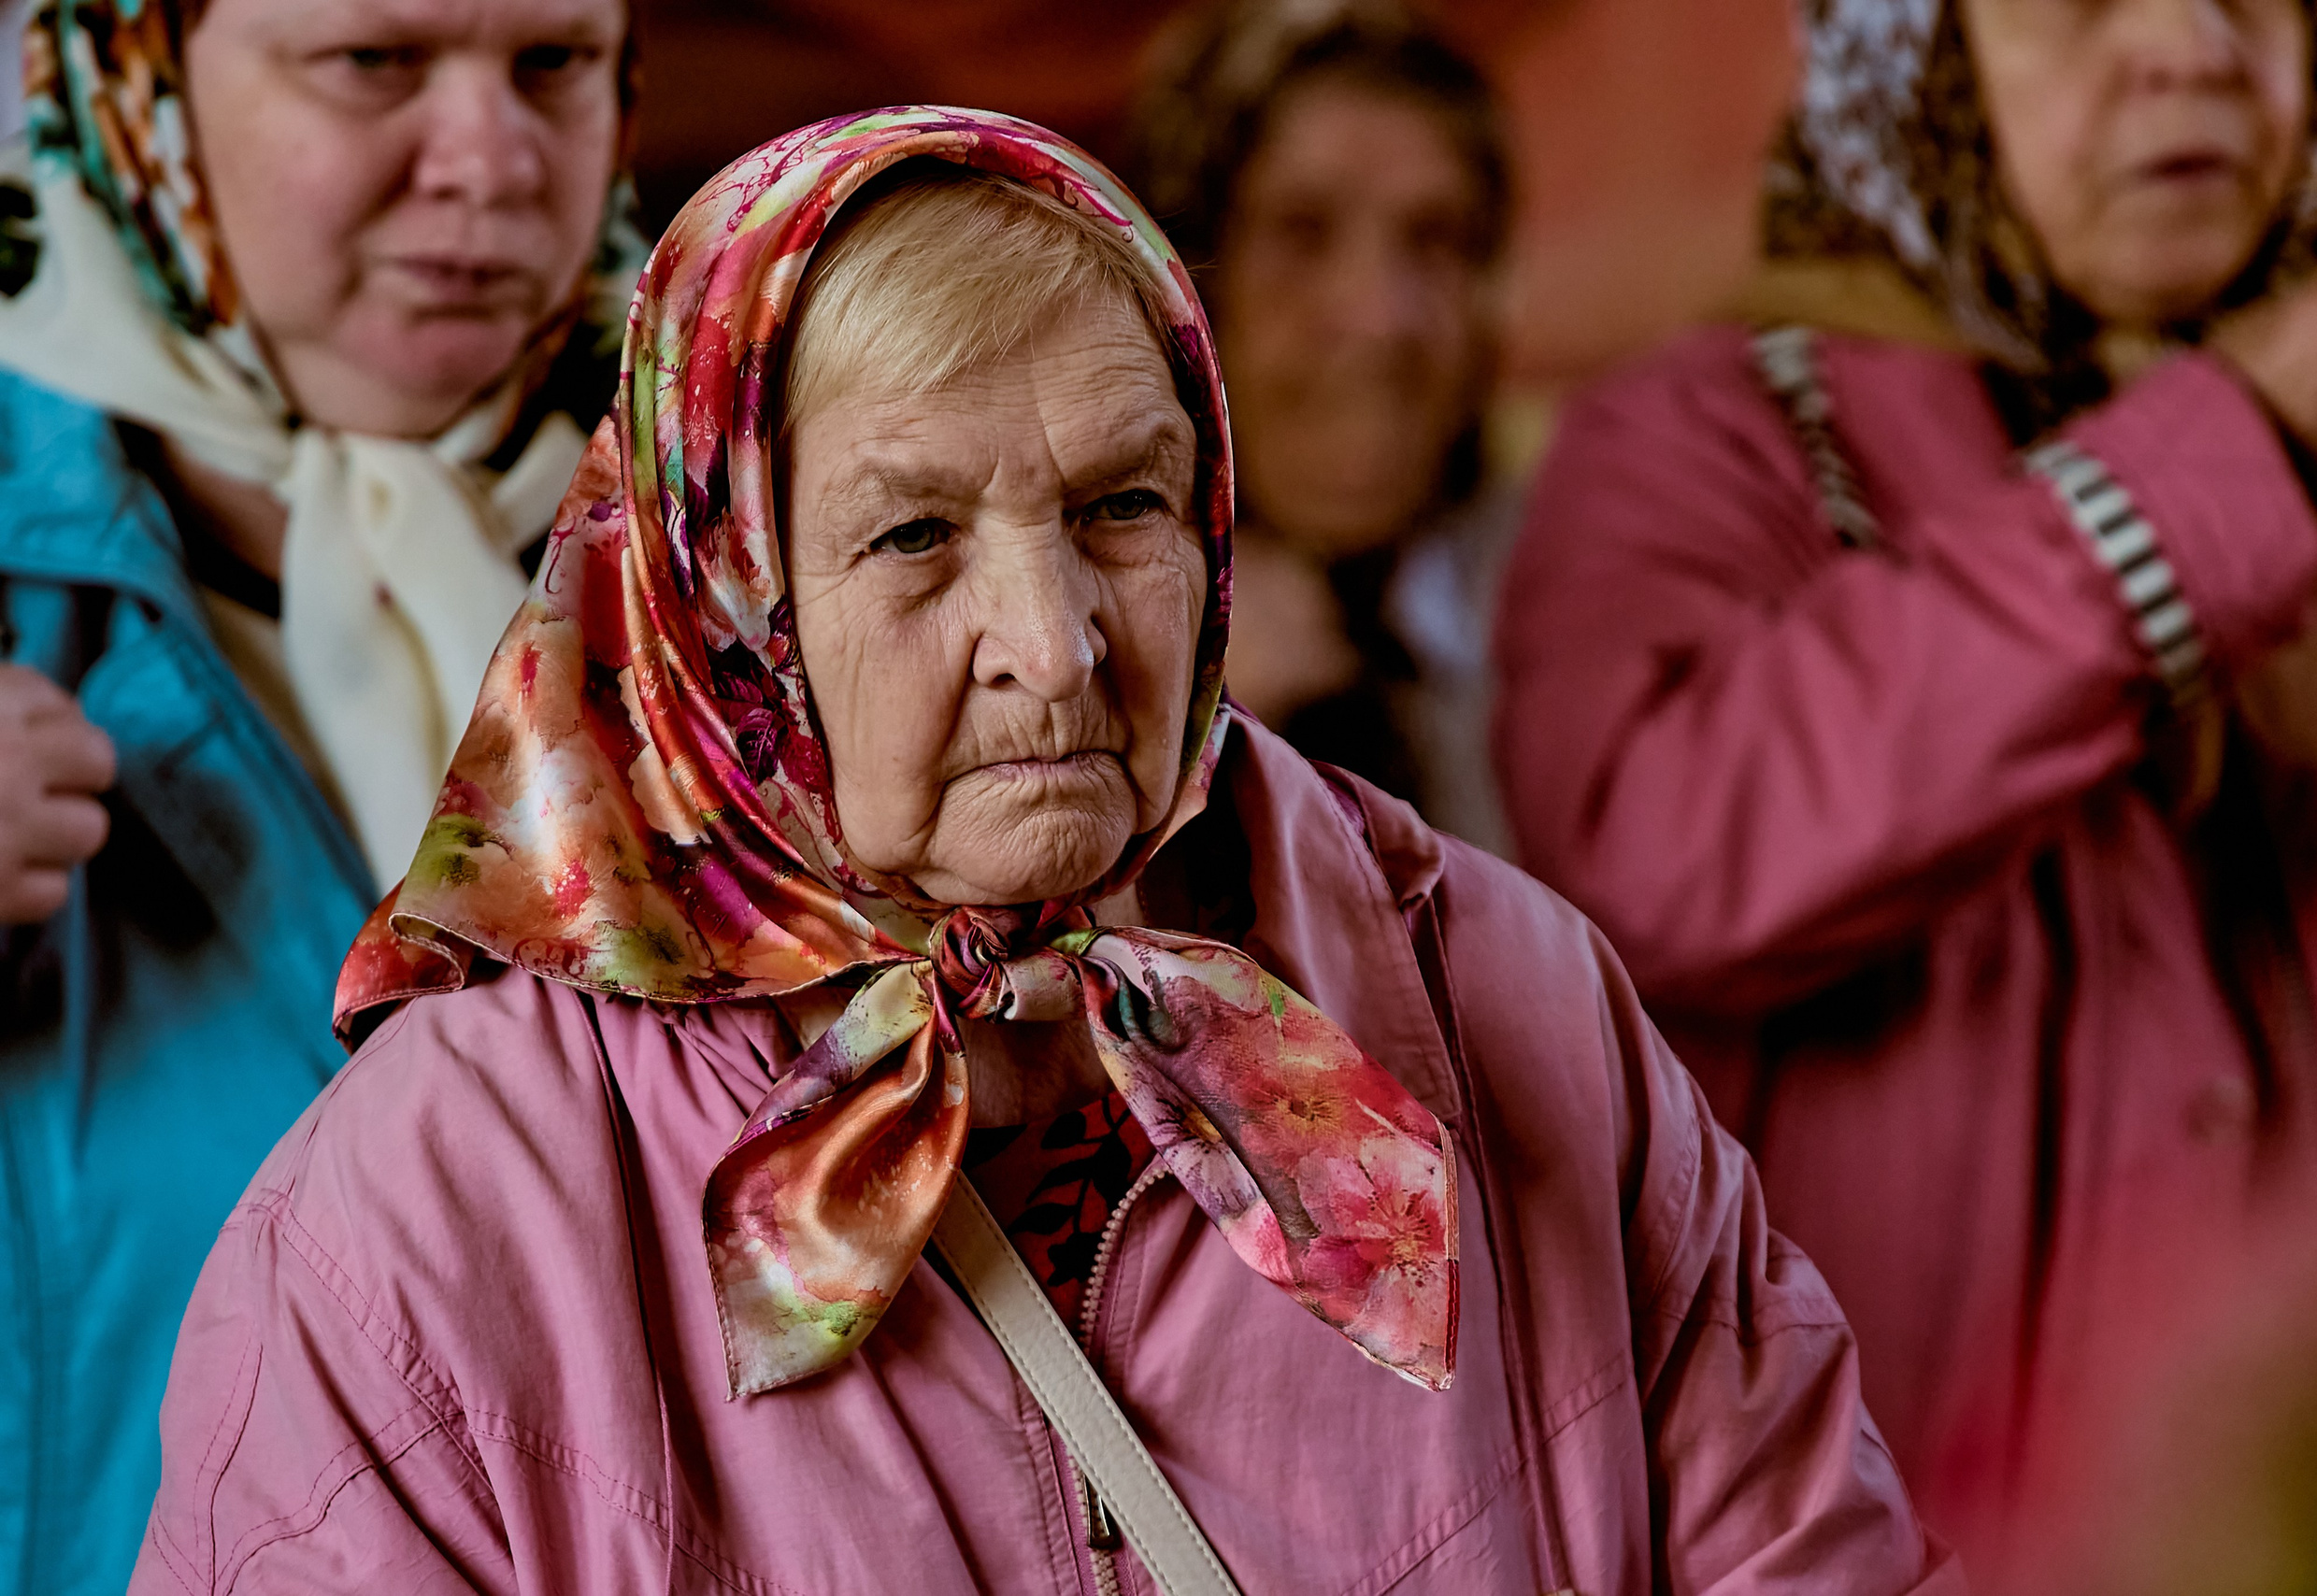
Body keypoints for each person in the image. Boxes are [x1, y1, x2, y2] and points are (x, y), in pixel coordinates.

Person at [132, 109, 1958, 1595]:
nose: (1060, 641)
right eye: (915, 533)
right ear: (718, 591)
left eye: (1122, 506)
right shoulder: (433, 1214)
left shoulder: (1498, 994)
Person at [1495, 0, 2317, 1567]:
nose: (2192, 48)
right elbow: (1662, 854)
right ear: (1912, 67)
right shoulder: (1710, 435)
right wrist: (2229, 461)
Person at [0, 0, 633, 1586]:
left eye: (554, 65)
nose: (493, 161)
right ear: (131, 70)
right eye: (377, 60)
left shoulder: (776, 550)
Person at [1120, 0, 1518, 854]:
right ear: (1183, 292)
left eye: (1437, 240)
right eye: (1301, 234)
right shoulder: (1060, 640)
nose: (1382, 318)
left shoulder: (1576, 597)